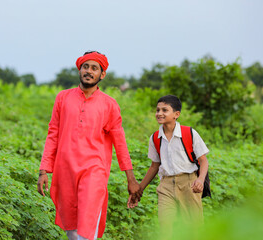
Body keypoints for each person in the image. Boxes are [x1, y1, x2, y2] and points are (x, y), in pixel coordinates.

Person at [37, 51, 141, 240]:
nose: (89, 71)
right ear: (79, 70)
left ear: (102, 75)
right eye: (85, 67)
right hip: (65, 170)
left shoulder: (109, 104)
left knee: (87, 228)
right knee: (72, 230)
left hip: (94, 171)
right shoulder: (63, 98)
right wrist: (44, 170)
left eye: (94, 68)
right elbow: (53, 134)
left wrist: (131, 178)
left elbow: (120, 143)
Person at [128, 95, 209, 239]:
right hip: (165, 186)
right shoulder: (155, 138)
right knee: (165, 227)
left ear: (176, 114)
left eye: (165, 110)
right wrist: (138, 191)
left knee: (194, 228)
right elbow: (154, 166)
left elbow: (203, 161)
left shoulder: (189, 133)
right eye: (158, 110)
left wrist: (200, 180)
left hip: (188, 184)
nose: (159, 113)